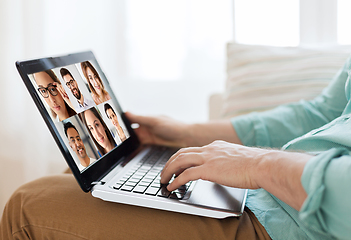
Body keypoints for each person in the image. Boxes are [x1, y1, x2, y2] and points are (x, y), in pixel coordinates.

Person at [1, 56, 351, 240]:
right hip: (278, 196)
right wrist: (187, 132)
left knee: (29, 204)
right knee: (96, 176)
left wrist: (259, 164)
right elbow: (321, 113)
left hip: (302, 224)